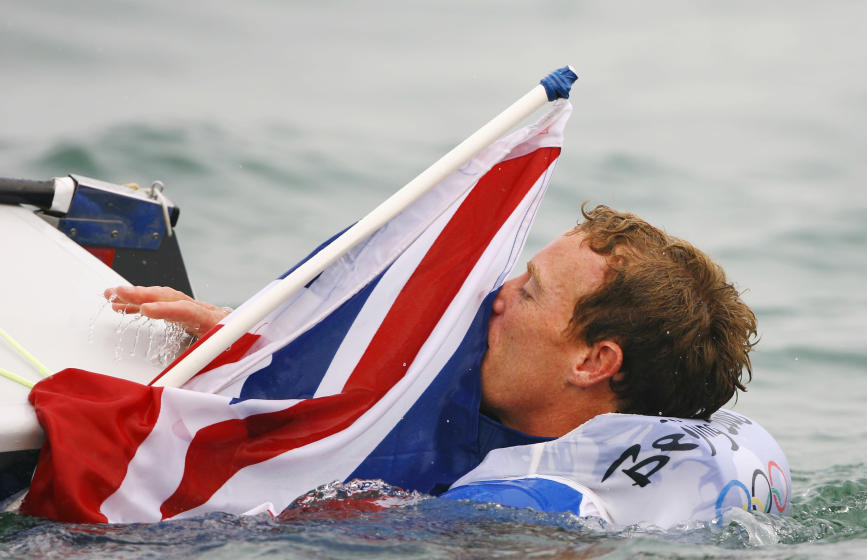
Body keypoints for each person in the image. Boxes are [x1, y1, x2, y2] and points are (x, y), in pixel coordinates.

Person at [106, 204, 786, 528]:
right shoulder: (495, 388)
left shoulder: (523, 521)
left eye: (529, 291)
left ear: (593, 360)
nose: (496, 296)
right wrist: (268, 345)